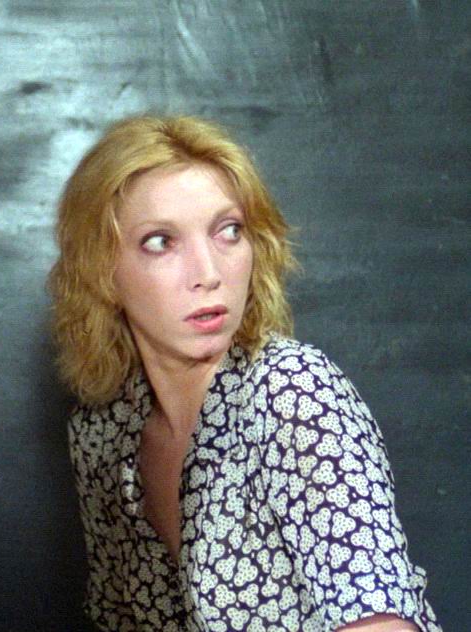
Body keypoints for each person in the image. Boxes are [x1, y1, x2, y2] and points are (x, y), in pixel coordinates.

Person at [49, 115, 440, 631]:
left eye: (228, 232)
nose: (208, 274)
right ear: (102, 271)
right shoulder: (101, 434)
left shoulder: (292, 393)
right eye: (161, 241)